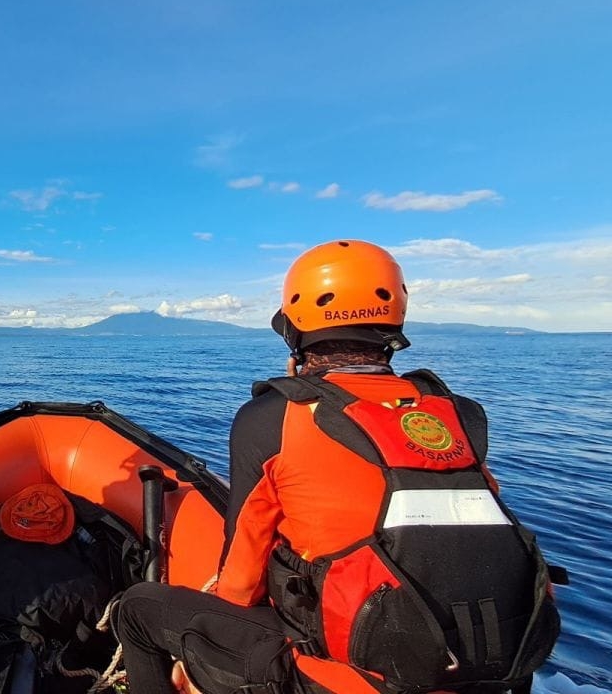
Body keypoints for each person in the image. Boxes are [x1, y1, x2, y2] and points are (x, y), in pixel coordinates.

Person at [115, 240, 560, 694]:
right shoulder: (457, 413)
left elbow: (241, 578)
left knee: (137, 609)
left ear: (294, 330)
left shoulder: (274, 418)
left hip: (346, 675)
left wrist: (202, 647)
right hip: (495, 663)